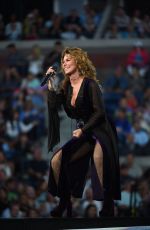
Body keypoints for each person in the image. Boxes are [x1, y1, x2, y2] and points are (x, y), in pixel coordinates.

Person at [46, 47, 121, 217]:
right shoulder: (66, 87)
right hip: (84, 131)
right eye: (63, 61)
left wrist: (83, 130)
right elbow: (54, 105)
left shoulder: (90, 84)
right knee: (58, 160)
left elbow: (99, 113)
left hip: (100, 128)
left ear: (78, 61)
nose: (64, 63)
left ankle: (108, 205)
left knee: (98, 158)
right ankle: (64, 203)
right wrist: (51, 84)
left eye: (68, 60)